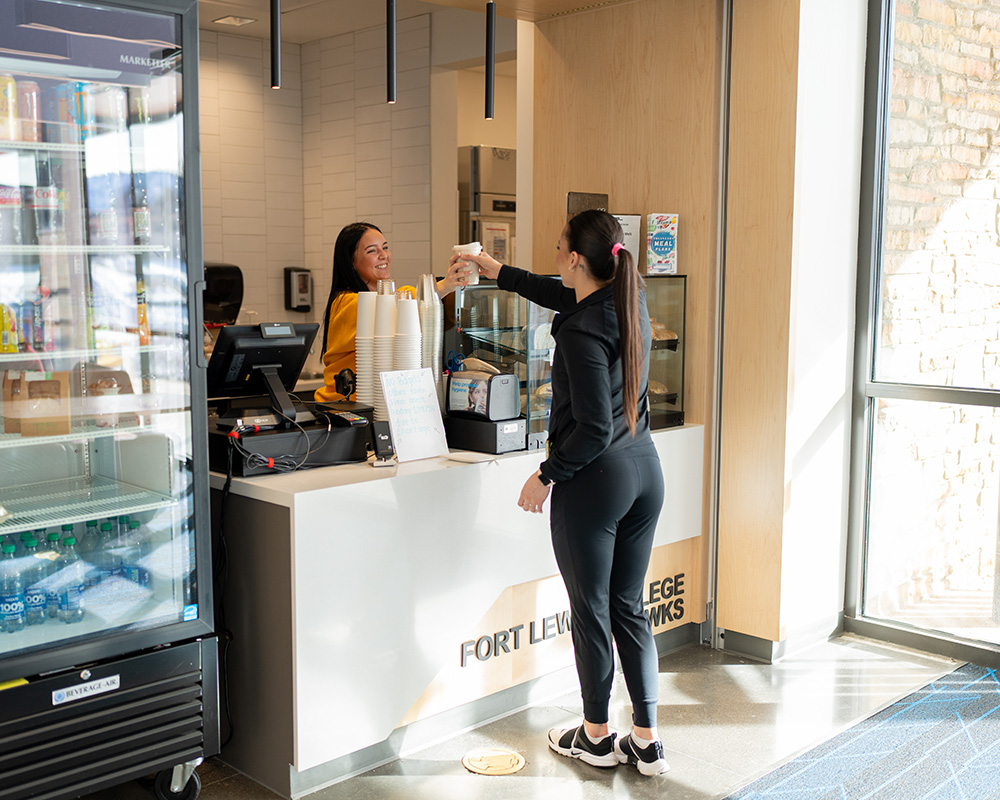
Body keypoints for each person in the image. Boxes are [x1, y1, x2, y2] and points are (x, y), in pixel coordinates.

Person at [457, 209, 668, 777]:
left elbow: (594, 427)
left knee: (591, 612)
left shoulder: (580, 328)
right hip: (646, 472)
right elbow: (552, 291)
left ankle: (596, 736)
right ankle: (646, 742)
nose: (555, 255)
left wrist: (546, 474)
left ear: (577, 258)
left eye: (559, 246)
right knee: (628, 607)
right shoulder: (628, 298)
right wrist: (492, 268)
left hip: (597, 481)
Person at [314, 222, 472, 402]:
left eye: (385, 248)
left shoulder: (385, 297)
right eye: (372, 251)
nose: (384, 256)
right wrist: (444, 285)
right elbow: (396, 310)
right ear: (352, 262)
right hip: (346, 406)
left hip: (381, 403)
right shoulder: (348, 302)